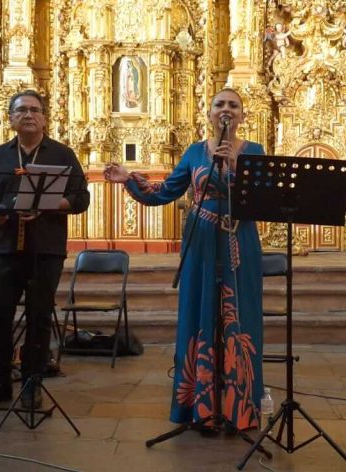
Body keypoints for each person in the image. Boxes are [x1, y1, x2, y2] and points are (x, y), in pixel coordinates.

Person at [104, 88, 265, 431]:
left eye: (233, 105)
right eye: (219, 104)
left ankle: (239, 408)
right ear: (209, 113)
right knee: (198, 310)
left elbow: (263, 200)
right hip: (201, 240)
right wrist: (128, 179)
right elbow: (166, 192)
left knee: (242, 315)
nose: (226, 110)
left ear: (243, 115)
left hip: (240, 242)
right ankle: (201, 408)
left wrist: (236, 167)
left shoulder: (255, 151)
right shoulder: (194, 152)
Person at [0, 90, 89, 408]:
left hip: (45, 248)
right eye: (21, 110)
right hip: (4, 246)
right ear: (10, 119)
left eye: (35, 110)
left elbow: (81, 198)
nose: (28, 115)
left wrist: (50, 204)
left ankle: (31, 384)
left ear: (45, 118)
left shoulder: (62, 154)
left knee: (39, 317)